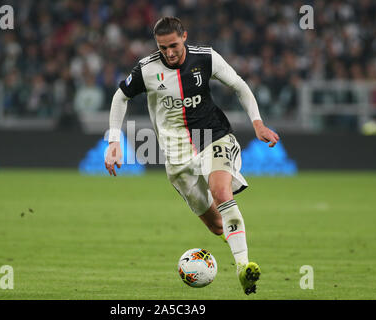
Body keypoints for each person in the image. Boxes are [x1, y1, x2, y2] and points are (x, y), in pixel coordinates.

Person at [104, 17, 279, 295]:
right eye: (163, 48)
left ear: (184, 36)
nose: (170, 53)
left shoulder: (205, 57)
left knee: (221, 193)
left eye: (173, 45)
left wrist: (257, 123)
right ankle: (235, 246)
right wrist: (114, 140)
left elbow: (239, 85)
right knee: (216, 225)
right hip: (176, 154)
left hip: (213, 136)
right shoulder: (147, 70)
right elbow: (119, 97)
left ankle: (243, 268)